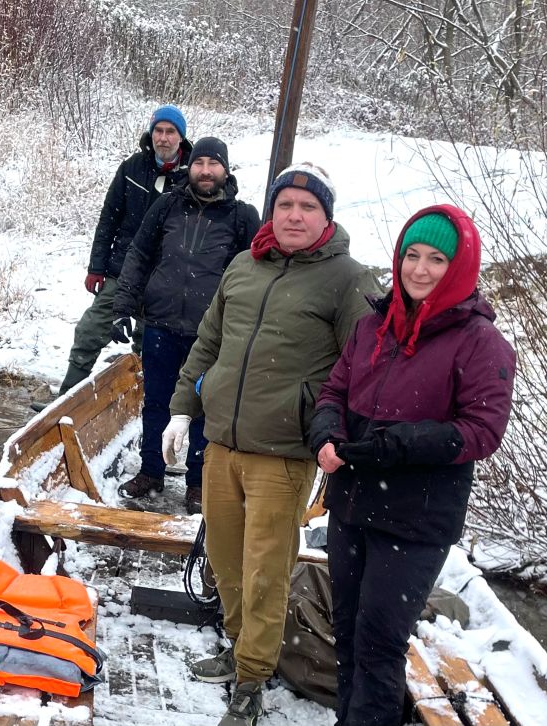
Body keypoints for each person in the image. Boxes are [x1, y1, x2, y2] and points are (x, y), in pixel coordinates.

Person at [163, 163, 379, 725]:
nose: (294, 215)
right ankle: (239, 650)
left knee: (266, 570)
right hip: (222, 446)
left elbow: (366, 368)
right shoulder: (244, 265)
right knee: (225, 560)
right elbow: (208, 344)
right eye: (285, 205)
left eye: (308, 207)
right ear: (272, 210)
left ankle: (253, 678)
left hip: (284, 454)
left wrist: (342, 441)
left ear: (326, 217)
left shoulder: (347, 279)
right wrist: (182, 411)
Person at [308, 205, 515, 726]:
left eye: (437, 259)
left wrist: (398, 445)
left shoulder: (480, 342)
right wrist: (326, 434)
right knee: (349, 629)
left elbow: (481, 431)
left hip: (416, 519)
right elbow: (333, 391)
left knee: (381, 641)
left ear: (461, 267)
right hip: (353, 502)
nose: (420, 269)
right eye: (412, 256)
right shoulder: (372, 326)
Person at [111, 137, 260, 515]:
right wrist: (124, 306)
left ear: (225, 170)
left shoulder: (242, 217)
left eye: (213, 164)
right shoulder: (167, 206)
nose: (205, 171)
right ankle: (151, 471)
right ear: (189, 168)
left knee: (205, 408)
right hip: (160, 324)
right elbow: (140, 254)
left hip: (211, 334)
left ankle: (197, 482)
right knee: (157, 401)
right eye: (199, 164)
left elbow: (257, 273)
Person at [31, 105, 192, 412]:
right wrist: (97, 267)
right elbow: (109, 219)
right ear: (151, 133)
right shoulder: (132, 168)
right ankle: (65, 404)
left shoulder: (190, 179)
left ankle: (140, 411)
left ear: (180, 138)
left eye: (170, 132)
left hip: (163, 278)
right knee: (90, 331)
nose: (163, 138)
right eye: (158, 130)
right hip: (123, 271)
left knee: (150, 348)